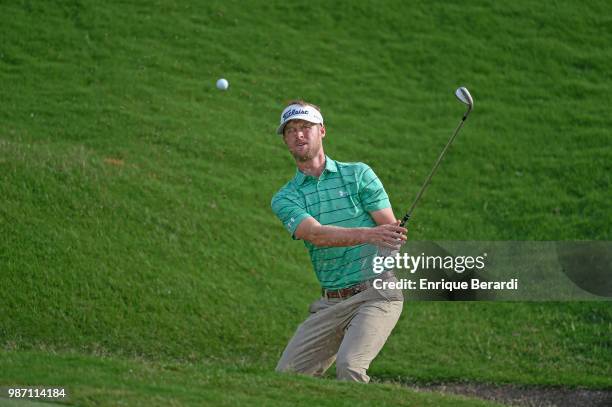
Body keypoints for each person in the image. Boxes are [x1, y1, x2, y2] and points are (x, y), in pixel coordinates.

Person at [271, 100, 407, 383]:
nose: (298, 134)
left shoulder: (358, 175)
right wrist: (370, 235)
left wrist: (392, 239)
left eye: (305, 127)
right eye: (291, 130)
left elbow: (389, 228)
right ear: (285, 139)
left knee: (350, 368)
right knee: (288, 376)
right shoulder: (286, 198)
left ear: (322, 131)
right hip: (330, 302)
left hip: (376, 293)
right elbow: (317, 235)